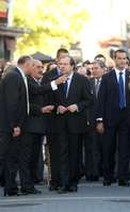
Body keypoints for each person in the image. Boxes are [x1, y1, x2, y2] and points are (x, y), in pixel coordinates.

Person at [0, 55, 65, 196]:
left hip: (20, 125)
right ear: (28, 64)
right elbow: (12, 104)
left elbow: (28, 98)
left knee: (20, 157)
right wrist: (15, 125)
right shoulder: (13, 76)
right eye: (34, 65)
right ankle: (12, 187)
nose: (37, 68)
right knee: (12, 157)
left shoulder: (19, 76)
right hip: (14, 126)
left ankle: (21, 187)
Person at [52, 55, 93, 193]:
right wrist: (58, 106)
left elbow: (89, 100)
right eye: (60, 64)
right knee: (63, 153)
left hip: (76, 122)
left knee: (75, 154)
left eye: (65, 64)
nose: (62, 66)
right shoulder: (56, 81)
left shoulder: (82, 80)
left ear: (72, 66)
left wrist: (78, 106)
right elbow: (51, 99)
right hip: (61, 122)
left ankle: (73, 182)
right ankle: (64, 183)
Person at [96, 49, 130, 187]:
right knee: (109, 148)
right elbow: (101, 100)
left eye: (124, 58)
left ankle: (123, 177)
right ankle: (108, 176)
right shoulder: (107, 77)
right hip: (110, 118)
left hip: (126, 118)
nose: (122, 61)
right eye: (119, 58)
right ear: (114, 59)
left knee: (124, 149)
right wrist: (99, 120)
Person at [42, 48, 69, 191]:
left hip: (70, 120)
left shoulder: (73, 76)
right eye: (62, 60)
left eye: (66, 60)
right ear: (57, 60)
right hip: (53, 120)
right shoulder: (49, 76)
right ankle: (55, 180)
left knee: (67, 151)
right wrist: (56, 106)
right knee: (54, 152)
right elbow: (45, 94)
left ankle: (67, 180)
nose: (63, 63)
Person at [85, 60, 106, 181]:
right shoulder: (88, 83)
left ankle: (105, 170)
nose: (94, 70)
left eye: (96, 68)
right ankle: (93, 172)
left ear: (103, 69)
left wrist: (101, 120)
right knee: (93, 147)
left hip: (106, 120)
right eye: (92, 68)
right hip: (91, 120)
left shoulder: (108, 82)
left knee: (105, 146)